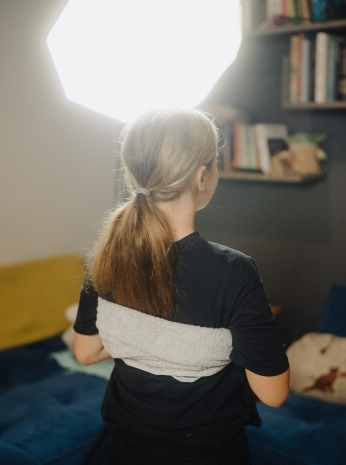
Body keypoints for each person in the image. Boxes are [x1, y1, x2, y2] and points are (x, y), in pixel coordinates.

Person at [73, 107, 290, 465]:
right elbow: (274, 393)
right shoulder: (234, 271)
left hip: (126, 449)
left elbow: (85, 352)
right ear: (203, 176)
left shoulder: (106, 255)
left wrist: (143, 341)